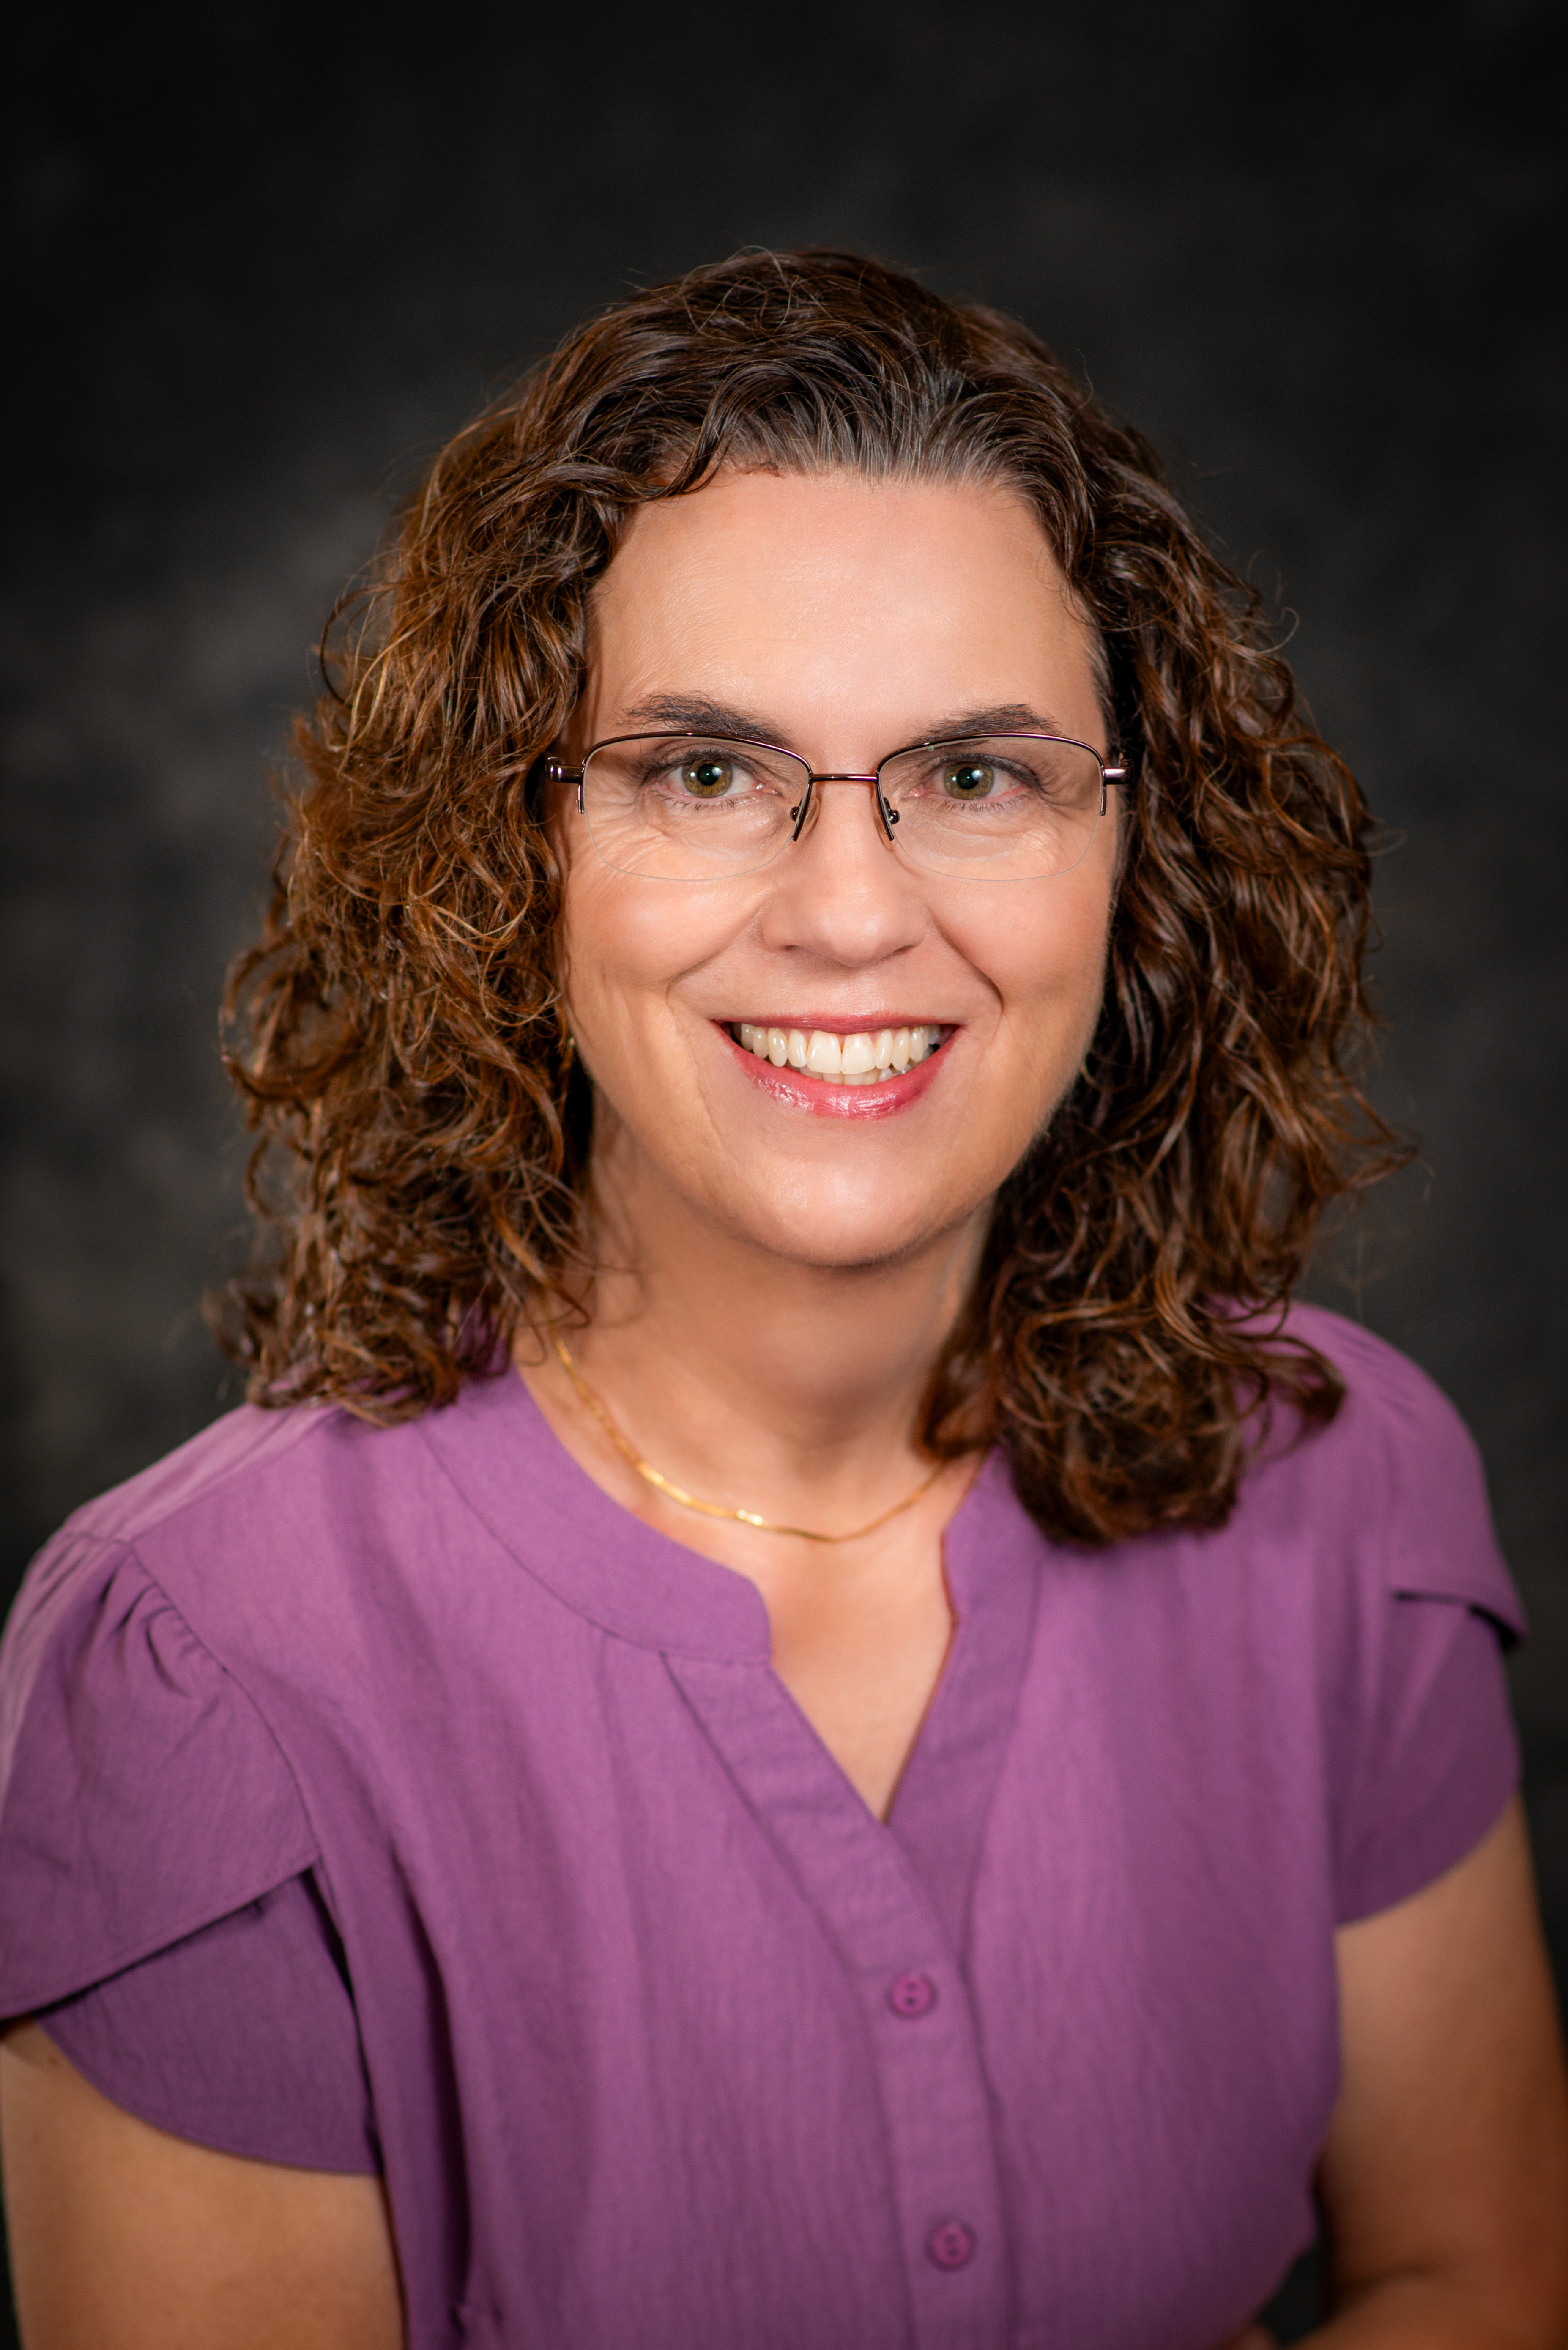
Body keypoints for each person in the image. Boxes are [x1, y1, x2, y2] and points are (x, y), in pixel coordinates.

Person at [1, 249, 1564, 2350]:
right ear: (514, 850)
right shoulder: (205, 1670)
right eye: (708, 772)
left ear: (1141, 857)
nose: (850, 909)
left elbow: (1480, 2273)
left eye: (979, 775)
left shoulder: (1339, 1493)